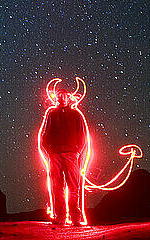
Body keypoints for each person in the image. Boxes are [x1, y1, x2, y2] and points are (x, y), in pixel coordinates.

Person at [39, 89, 88, 225]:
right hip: (55, 155)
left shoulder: (75, 114)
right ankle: (61, 217)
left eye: (65, 96)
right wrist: (48, 149)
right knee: (57, 186)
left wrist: (77, 151)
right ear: (57, 98)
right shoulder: (51, 113)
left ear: (69, 98)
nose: (62, 98)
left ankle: (75, 218)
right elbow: (45, 132)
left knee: (73, 186)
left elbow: (82, 134)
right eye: (60, 96)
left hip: (71, 154)